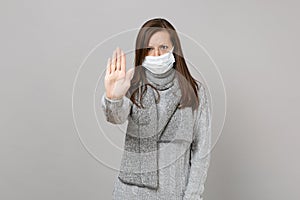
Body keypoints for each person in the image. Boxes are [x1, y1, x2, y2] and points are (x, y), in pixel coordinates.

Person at [101, 18, 211, 200]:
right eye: (150, 49)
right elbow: (115, 117)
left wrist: (192, 196)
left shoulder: (194, 92)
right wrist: (114, 97)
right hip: (130, 194)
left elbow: (201, 150)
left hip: (175, 193)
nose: (157, 54)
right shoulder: (132, 84)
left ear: (175, 49)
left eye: (163, 47)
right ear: (142, 53)